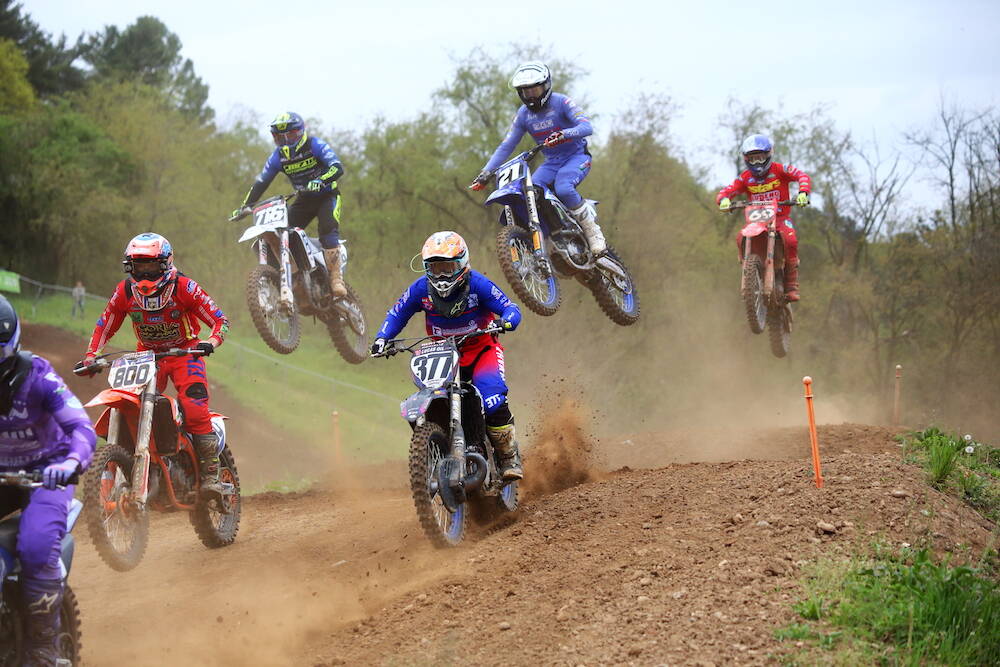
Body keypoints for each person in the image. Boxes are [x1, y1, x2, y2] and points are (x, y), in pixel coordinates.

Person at [80, 233, 229, 500]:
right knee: (128, 408)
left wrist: (211, 342)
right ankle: (140, 470)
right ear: (130, 266)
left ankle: (211, 477)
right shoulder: (125, 291)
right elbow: (106, 322)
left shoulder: (185, 286)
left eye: (150, 265)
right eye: (139, 266)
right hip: (146, 358)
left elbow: (219, 320)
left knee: (195, 409)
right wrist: (92, 355)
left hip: (185, 352)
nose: (145, 272)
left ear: (165, 263)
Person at [371, 232, 524, 480]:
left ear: (462, 264)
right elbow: (397, 313)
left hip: (481, 350)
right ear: (426, 268)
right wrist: (381, 338)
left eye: (448, 267)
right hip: (443, 355)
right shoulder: (421, 289)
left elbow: (509, 307)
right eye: (435, 268)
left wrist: (506, 321)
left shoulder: (478, 284)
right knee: (430, 398)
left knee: (492, 397)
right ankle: (440, 447)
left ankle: (508, 455)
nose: (441, 275)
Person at [0, 294, 96, 665]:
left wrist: (72, 461)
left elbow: (80, 426)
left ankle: (44, 648)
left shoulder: (38, 376)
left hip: (45, 474)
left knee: (38, 545)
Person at [470, 61, 606, 256]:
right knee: (529, 192)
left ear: (546, 85)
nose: (531, 95)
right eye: (526, 92)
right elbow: (507, 145)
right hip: (551, 162)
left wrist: (565, 134)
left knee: (564, 187)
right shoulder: (523, 115)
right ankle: (550, 237)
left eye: (535, 90)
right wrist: (486, 172)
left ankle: (593, 234)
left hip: (576, 157)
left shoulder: (562, 102)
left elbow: (587, 127)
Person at [232, 111, 348, 297]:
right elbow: (262, 182)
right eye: (280, 136)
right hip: (304, 199)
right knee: (282, 232)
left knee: (327, 231)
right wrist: (246, 206)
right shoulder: (278, 157)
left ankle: (336, 279)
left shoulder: (314, 145)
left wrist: (321, 180)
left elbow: (336, 167)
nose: (286, 140)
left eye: (291, 134)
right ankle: (295, 275)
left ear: (301, 132)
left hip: (327, 195)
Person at [716, 134, 811, 302]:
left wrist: (803, 192)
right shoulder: (745, 177)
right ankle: (749, 272)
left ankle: (791, 285)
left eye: (760, 158)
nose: (757, 163)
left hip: (780, 218)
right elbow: (728, 190)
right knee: (740, 237)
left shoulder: (780, 169)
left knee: (791, 241)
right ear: (746, 160)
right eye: (752, 159)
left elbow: (802, 176)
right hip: (756, 222)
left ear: (768, 155)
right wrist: (724, 200)